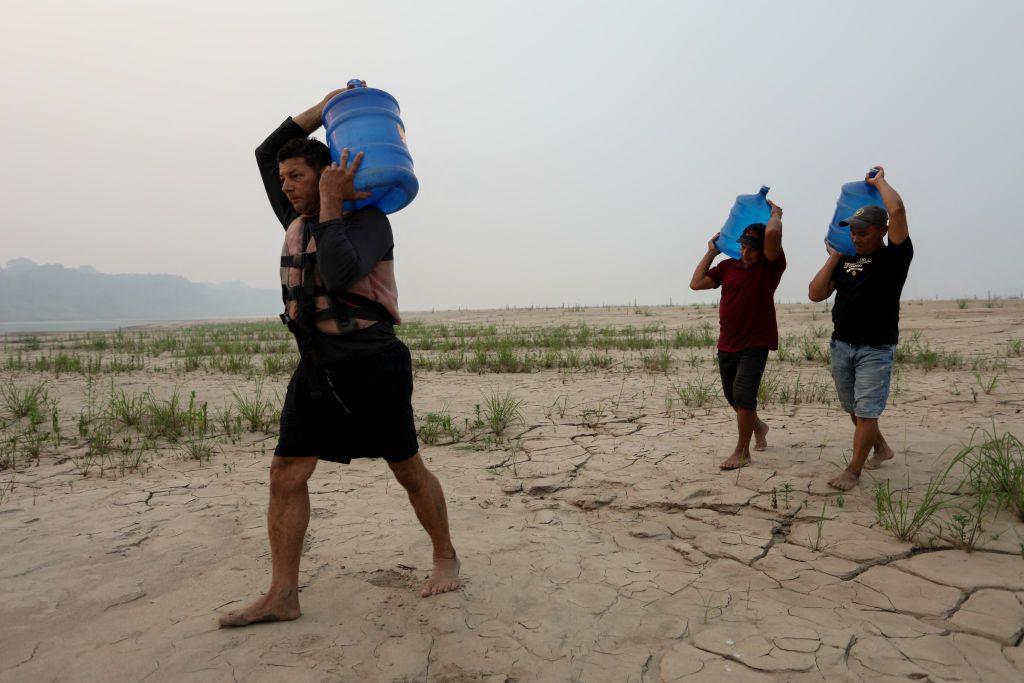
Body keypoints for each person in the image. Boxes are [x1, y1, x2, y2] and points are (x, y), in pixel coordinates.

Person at [219, 85, 459, 628]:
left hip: (373, 364)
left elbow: (343, 270)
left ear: (327, 177)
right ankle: (283, 593)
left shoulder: (372, 222)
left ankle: (445, 554)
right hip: (318, 364)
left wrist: (332, 198)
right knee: (285, 471)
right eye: (284, 181)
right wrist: (326, 108)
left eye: (297, 178)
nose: (285, 187)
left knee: (407, 469)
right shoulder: (300, 211)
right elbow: (268, 151)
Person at [808, 166, 911, 491]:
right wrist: (833, 258)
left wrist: (878, 182)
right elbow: (815, 294)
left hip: (875, 347)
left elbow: (896, 210)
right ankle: (881, 447)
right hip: (842, 346)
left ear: (881, 231)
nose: (856, 237)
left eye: (862, 232)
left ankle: (853, 471)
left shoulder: (895, 257)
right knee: (854, 408)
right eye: (852, 232)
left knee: (866, 411)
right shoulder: (845, 260)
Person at [690, 201, 786, 470]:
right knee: (733, 398)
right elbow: (696, 283)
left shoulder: (769, 267)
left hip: (756, 342)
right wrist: (712, 252)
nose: (745, 253)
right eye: (743, 246)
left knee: (744, 395)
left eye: (752, 249)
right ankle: (759, 427)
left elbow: (774, 236)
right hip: (727, 342)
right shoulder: (728, 266)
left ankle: (742, 452)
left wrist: (776, 214)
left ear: (762, 251)